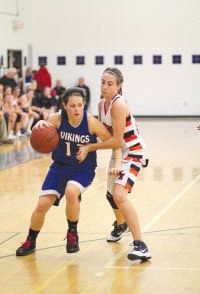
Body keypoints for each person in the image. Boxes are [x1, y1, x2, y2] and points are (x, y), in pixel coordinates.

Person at [16, 87, 113, 256]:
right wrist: (39, 124)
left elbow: (112, 141)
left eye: (80, 105)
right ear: (64, 106)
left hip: (83, 168)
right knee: (42, 205)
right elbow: (41, 130)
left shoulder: (90, 122)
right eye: (73, 105)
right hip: (59, 167)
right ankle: (30, 241)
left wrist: (91, 147)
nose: (77, 109)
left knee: (71, 191)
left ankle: (72, 234)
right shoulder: (56, 118)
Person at [77, 67, 151, 261]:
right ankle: (121, 224)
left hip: (133, 151)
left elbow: (116, 141)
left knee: (119, 195)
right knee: (110, 195)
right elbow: (105, 136)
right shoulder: (102, 104)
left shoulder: (119, 105)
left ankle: (141, 245)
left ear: (118, 87)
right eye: (102, 82)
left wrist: (89, 148)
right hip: (120, 152)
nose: (105, 86)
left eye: (110, 83)